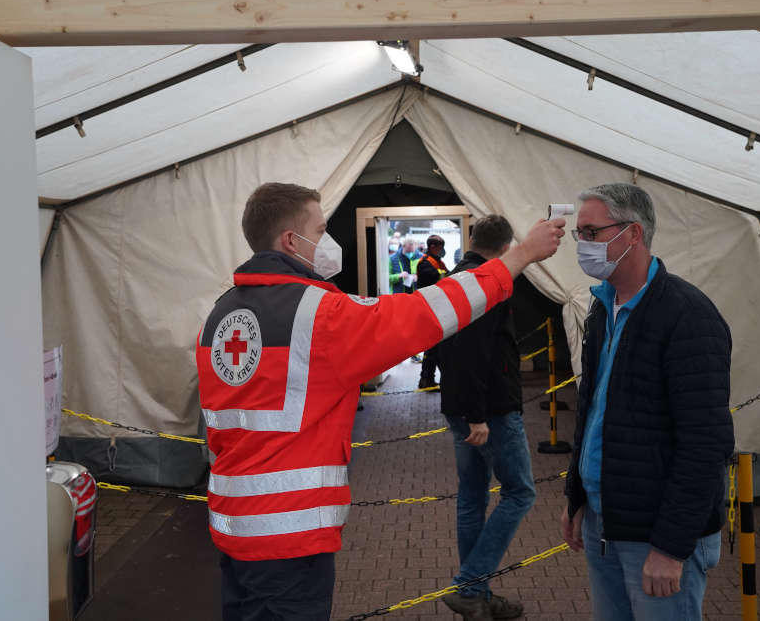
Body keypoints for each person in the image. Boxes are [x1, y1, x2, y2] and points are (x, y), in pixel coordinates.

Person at [196, 183, 566, 621]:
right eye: (321, 229)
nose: (329, 242)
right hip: (289, 538)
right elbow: (424, 313)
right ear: (291, 241)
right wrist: (520, 256)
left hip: (233, 528)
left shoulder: (221, 314)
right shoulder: (317, 314)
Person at [560, 183, 733, 621]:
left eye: (591, 232)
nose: (582, 244)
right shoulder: (602, 310)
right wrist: (577, 496)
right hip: (607, 519)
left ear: (632, 234)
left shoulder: (687, 315)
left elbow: (705, 443)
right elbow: (592, 412)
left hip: (656, 534)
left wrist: (671, 548)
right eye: (579, 234)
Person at [438, 215, 532, 621]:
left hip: (461, 407)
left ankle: (476, 594)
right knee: (520, 493)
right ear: (508, 247)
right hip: (489, 411)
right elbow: (473, 353)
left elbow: (443, 347)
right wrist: (479, 416)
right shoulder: (488, 284)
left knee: (473, 498)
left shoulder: (452, 280)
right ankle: (473, 583)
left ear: (471, 239)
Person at [416, 234, 448, 389]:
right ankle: (428, 378)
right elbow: (439, 277)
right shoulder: (425, 263)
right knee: (434, 346)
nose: (443, 250)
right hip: (429, 308)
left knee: (434, 346)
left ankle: (427, 379)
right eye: (441, 247)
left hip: (439, 308)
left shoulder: (438, 262)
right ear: (433, 247)